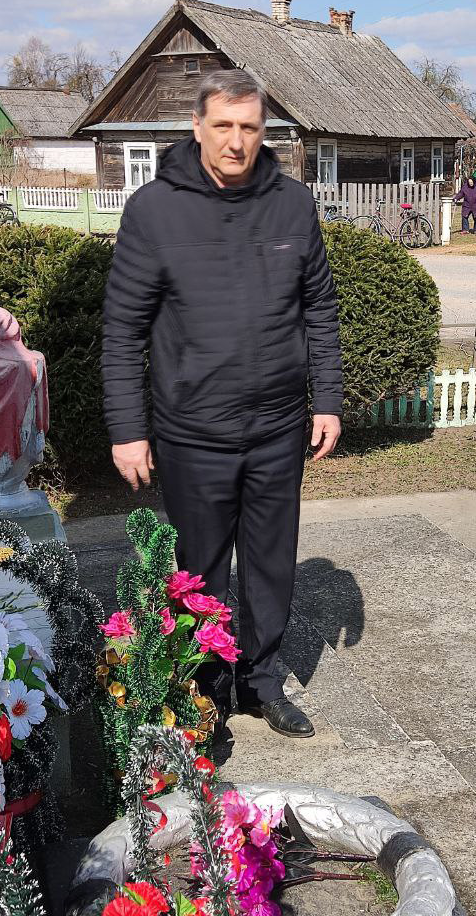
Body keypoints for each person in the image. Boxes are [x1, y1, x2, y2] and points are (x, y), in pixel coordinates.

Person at [101, 70, 343, 739]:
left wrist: (326, 399)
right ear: (197, 127)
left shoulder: (293, 205)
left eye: (250, 128)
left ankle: (262, 680)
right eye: (224, 126)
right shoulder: (154, 211)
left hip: (275, 428)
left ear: (264, 132)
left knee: (270, 564)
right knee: (199, 572)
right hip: (192, 433)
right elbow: (122, 329)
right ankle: (206, 690)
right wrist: (129, 430)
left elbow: (319, 308)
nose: (237, 142)